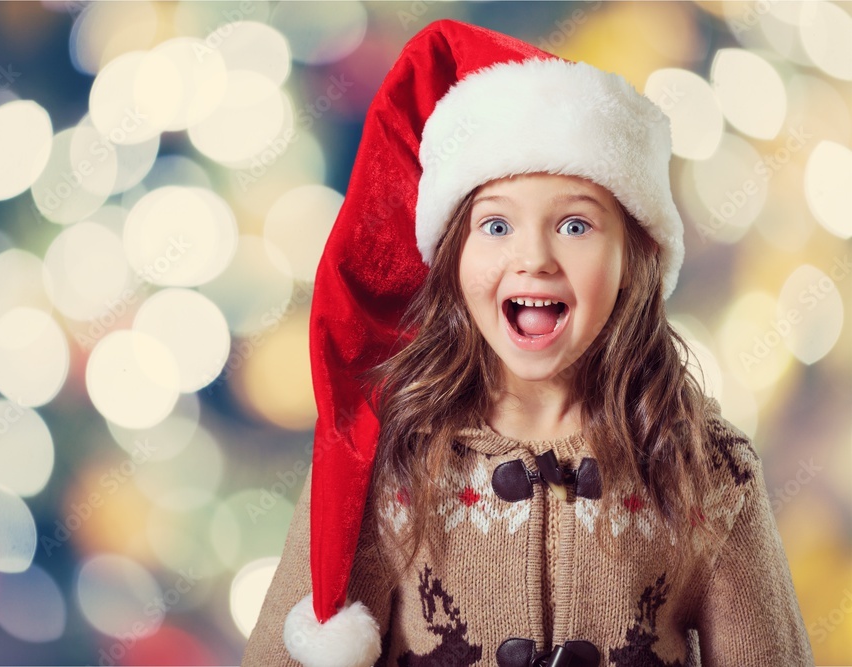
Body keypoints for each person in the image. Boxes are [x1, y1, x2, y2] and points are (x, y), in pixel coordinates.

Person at [242, 19, 814, 667]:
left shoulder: (707, 470)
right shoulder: (384, 458)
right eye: (495, 224)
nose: (534, 257)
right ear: (453, 256)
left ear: (637, 257)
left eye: (575, 224)